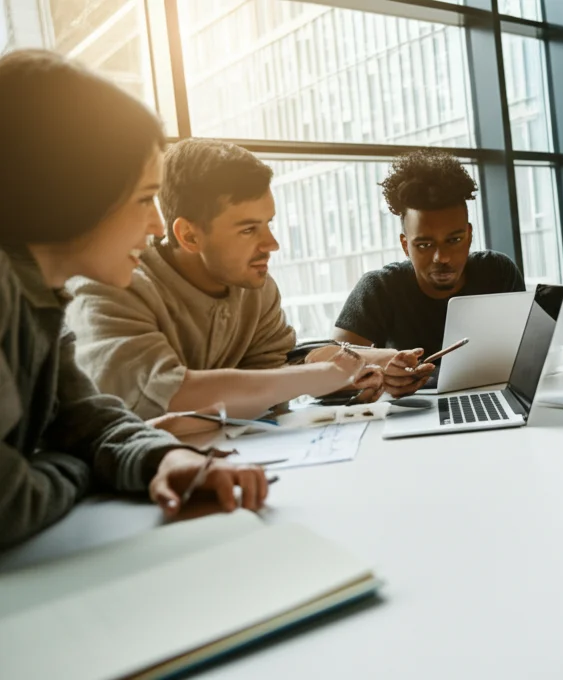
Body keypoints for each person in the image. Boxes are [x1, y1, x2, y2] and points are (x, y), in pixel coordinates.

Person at [0, 50, 268, 548]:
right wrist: (82, 465)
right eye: (146, 199)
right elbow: (9, 499)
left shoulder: (40, 297)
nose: (156, 226)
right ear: (75, 195)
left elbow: (83, 421)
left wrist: (165, 457)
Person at [65, 139, 391, 421]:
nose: (272, 244)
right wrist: (318, 375)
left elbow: (271, 388)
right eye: (249, 230)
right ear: (189, 236)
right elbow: (163, 398)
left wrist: (341, 381)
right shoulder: (113, 284)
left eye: (268, 224)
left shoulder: (257, 289)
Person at [333, 149, 526, 393]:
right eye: (424, 245)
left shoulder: (498, 272)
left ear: (469, 236)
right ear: (405, 245)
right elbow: (331, 370)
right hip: (408, 414)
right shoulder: (380, 288)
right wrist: (381, 374)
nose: (442, 257)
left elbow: (527, 356)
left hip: (492, 403)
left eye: (454, 240)